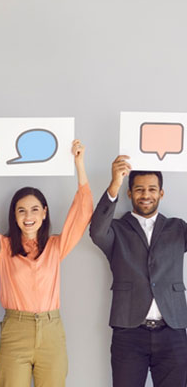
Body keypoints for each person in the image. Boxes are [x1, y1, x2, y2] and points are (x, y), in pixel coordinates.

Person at [0, 141, 92, 387]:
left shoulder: (56, 247)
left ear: (44, 213)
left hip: (52, 329)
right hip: (16, 329)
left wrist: (79, 163)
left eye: (34, 209)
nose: (28, 216)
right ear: (14, 216)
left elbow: (82, 213)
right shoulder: (2, 247)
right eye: (21, 211)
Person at [89, 156, 187, 386]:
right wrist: (115, 183)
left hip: (172, 330)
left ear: (161, 193)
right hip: (129, 332)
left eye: (152, 189)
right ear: (130, 193)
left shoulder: (178, 228)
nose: (146, 195)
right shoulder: (116, 229)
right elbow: (96, 232)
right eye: (139, 189)